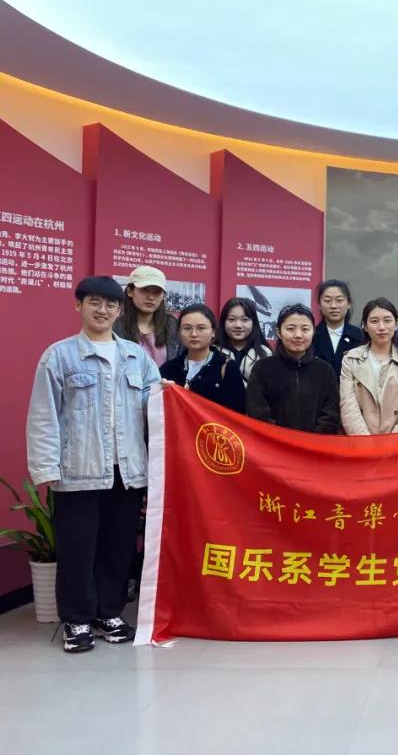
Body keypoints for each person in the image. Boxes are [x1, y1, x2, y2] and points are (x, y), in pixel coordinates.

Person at [26, 276, 161, 653]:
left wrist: (171, 398)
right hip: (78, 471)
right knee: (77, 549)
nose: (103, 310)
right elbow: (43, 415)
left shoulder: (136, 356)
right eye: (94, 303)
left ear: (120, 310)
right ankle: (77, 619)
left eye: (110, 305)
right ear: (79, 306)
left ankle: (108, 613)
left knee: (118, 547)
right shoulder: (59, 355)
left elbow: (155, 404)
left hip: (127, 471)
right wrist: (46, 469)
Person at [247, 304, 340, 434]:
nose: (298, 335)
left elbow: (331, 414)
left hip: (315, 444)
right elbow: (257, 412)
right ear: (278, 332)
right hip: (272, 443)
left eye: (305, 329)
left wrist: (312, 440)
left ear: (313, 332)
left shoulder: (324, 370)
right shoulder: (262, 368)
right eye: (290, 329)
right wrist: (283, 439)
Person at [339, 298, 398, 435]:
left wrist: (393, 442)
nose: (381, 327)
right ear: (364, 326)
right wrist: (365, 442)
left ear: (396, 324)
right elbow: (348, 406)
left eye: (387, 320)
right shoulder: (351, 359)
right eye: (374, 321)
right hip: (360, 441)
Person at [159, 304, 246, 413]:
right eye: (187, 328)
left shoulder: (227, 367)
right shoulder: (168, 368)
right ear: (179, 332)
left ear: (213, 332)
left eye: (201, 328)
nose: (194, 334)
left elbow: (237, 414)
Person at [113, 265, 180, 366]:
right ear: (130, 291)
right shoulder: (115, 326)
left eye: (157, 292)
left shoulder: (172, 324)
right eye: (144, 290)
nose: (151, 297)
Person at [312, 279, 364, 377]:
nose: (333, 306)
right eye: (327, 301)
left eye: (339, 300)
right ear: (319, 305)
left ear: (349, 303)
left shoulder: (360, 336)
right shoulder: (311, 336)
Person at [216, 297, 272, 384]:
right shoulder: (212, 352)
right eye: (231, 319)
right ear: (223, 322)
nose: (238, 325)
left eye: (245, 320)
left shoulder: (266, 354)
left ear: (254, 323)